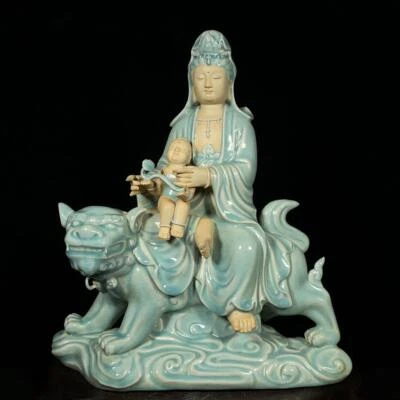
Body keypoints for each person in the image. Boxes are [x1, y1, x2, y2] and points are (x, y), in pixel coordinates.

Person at [127, 31, 290, 333]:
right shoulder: (183, 123)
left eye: (215, 77)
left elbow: (246, 169)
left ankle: (235, 305)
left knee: (247, 245)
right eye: (201, 77)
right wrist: (153, 186)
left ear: (230, 82)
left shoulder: (239, 124)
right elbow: (164, 167)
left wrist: (209, 175)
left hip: (227, 213)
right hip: (185, 209)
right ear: (192, 82)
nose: (208, 84)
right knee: (147, 230)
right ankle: (166, 303)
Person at [156, 138, 195, 240]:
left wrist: (187, 195)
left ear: (189, 158)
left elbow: (192, 188)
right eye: (172, 148)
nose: (176, 150)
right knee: (168, 206)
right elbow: (157, 183)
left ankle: (178, 227)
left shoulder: (188, 171)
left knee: (184, 205)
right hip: (166, 197)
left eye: (181, 150)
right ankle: (164, 228)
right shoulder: (164, 170)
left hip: (181, 198)